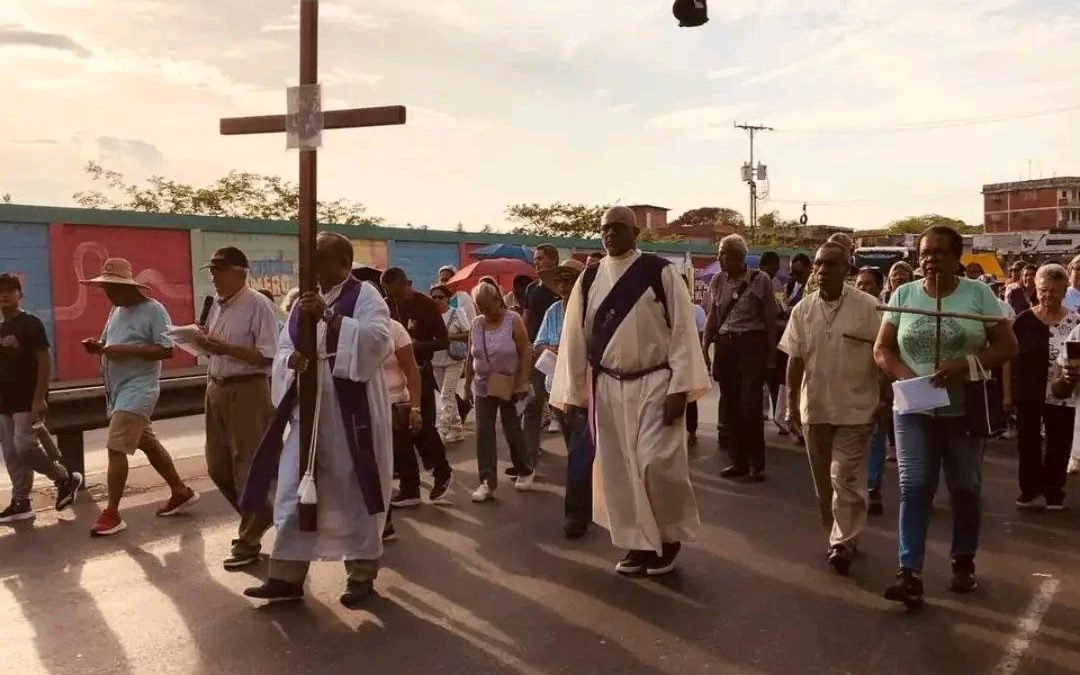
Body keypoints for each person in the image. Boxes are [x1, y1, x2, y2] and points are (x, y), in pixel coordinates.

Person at [551, 206, 710, 576]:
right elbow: (575, 338)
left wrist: (680, 387)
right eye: (605, 229)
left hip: (656, 383)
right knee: (620, 470)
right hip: (607, 386)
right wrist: (575, 394)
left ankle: (668, 540)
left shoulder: (658, 272)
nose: (609, 235)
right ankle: (638, 545)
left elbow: (684, 331)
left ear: (635, 233)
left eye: (618, 228)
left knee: (655, 464)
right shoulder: (589, 278)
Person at [242, 232, 393, 608]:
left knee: (353, 491)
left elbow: (377, 341)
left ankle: (360, 575)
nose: (311, 265)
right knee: (294, 489)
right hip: (309, 408)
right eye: (308, 258)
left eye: (320, 257)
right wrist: (290, 361)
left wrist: (328, 316)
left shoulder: (365, 295)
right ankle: (286, 576)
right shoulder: (301, 302)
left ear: (342, 261)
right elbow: (284, 348)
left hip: (349, 409)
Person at [874, 226, 1017, 607]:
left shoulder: (979, 295)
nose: (930, 259)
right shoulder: (903, 295)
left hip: (963, 411)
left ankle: (962, 561)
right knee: (915, 486)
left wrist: (964, 364)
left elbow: (1007, 345)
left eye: (939, 252)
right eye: (924, 252)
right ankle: (910, 573)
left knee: (965, 488)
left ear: (957, 258)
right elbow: (883, 350)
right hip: (915, 410)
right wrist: (909, 379)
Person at [782, 244, 882, 575]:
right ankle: (838, 533)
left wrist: (884, 397)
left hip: (857, 408)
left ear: (848, 270)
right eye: (819, 264)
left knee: (845, 476)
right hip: (816, 408)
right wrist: (791, 403)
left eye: (832, 264)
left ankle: (842, 541)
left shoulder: (869, 308)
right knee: (825, 483)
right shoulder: (802, 310)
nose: (822, 270)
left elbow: (882, 355)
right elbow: (795, 359)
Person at [81, 258, 199, 536]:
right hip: (118, 389)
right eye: (106, 288)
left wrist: (124, 351)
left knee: (115, 447)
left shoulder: (154, 310)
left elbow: (166, 349)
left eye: (112, 288)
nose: (108, 294)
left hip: (139, 389)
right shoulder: (116, 312)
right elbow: (111, 345)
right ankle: (180, 490)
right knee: (147, 442)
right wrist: (99, 348)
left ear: (127, 287)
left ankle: (111, 513)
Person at [192, 247, 279, 569]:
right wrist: (202, 341)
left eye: (220, 270)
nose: (213, 277)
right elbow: (216, 347)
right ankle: (259, 515)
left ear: (240, 272)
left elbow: (268, 355)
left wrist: (222, 347)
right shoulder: (216, 306)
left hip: (247, 390)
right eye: (212, 270)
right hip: (216, 387)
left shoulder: (258, 305)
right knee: (217, 466)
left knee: (247, 467)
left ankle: (248, 540)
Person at [0, 274, 82, 524]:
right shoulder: (1, 328)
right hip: (4, 400)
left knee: (25, 446)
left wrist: (40, 397)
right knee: (11, 452)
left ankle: (64, 478)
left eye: (9, 290)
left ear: (19, 294)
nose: (4, 295)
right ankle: (21, 502)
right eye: (0, 291)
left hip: (28, 397)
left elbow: (45, 360)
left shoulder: (31, 323)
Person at [704, 233, 779, 482]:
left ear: (738, 256)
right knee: (731, 405)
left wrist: (770, 355)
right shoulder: (717, 280)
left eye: (723, 253)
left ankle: (756, 463)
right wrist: (706, 348)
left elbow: (770, 318)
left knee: (750, 406)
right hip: (726, 345)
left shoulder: (761, 280)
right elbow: (714, 316)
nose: (719, 258)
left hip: (752, 346)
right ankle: (738, 461)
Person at [1007, 264, 1079, 511]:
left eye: (1055, 291)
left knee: (1059, 442)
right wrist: (1007, 394)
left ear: (1065, 290)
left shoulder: (1075, 323)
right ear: (1035, 290)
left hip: (1063, 393)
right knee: (1028, 442)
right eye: (1044, 290)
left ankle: (1053, 491)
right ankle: (1029, 490)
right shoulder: (1023, 321)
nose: (1049, 296)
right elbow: (1009, 359)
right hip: (1028, 391)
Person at [381, 268, 453, 507]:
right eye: (390, 296)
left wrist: (416, 345)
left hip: (419, 373)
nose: (395, 301)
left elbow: (443, 341)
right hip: (393, 380)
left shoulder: (426, 305)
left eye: (399, 295)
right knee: (400, 436)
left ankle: (441, 472)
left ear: (408, 284)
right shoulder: (384, 307)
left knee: (424, 429)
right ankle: (410, 488)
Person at [464, 281, 534, 501]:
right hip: (484, 386)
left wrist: (523, 380)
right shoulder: (476, 323)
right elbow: (470, 355)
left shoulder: (513, 320)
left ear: (497, 300)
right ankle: (487, 481)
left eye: (487, 306)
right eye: (480, 308)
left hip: (508, 384)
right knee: (484, 432)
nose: (484, 312)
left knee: (511, 429)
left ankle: (524, 469)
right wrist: (467, 384)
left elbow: (526, 349)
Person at [534, 258, 589, 537]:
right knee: (576, 450)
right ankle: (587, 503)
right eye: (561, 280)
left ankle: (577, 515)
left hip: (584, 391)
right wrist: (551, 347)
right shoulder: (554, 310)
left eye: (570, 279)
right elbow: (538, 344)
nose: (565, 285)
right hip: (556, 387)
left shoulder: (590, 310)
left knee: (580, 452)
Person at [381, 316, 424, 542]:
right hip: (366, 405)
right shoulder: (352, 327)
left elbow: (412, 370)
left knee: (394, 455)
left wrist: (416, 407)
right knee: (379, 462)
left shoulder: (394, 329)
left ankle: (409, 491)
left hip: (394, 401)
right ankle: (383, 518)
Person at [521, 244, 560, 472]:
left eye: (540, 259)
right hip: (538, 354)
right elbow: (526, 320)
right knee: (533, 403)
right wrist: (523, 348)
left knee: (565, 407)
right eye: (534, 259)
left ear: (553, 259)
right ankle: (529, 454)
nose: (536, 263)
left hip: (562, 356)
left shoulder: (562, 288)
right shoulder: (532, 288)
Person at [855, 267, 891, 516]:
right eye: (860, 284)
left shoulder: (887, 316)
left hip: (878, 384)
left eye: (869, 284)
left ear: (879, 287)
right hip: (851, 385)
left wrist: (885, 392)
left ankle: (872, 486)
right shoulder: (848, 313)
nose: (864, 288)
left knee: (877, 437)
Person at [429, 284, 470, 444]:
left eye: (440, 297)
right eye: (434, 297)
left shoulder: (456, 313)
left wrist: (450, 337)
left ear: (448, 298)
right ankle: (457, 428)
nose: (437, 300)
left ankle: (442, 429)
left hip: (454, 359)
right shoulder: (430, 316)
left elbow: (468, 333)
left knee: (446, 394)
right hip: (436, 360)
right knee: (448, 395)